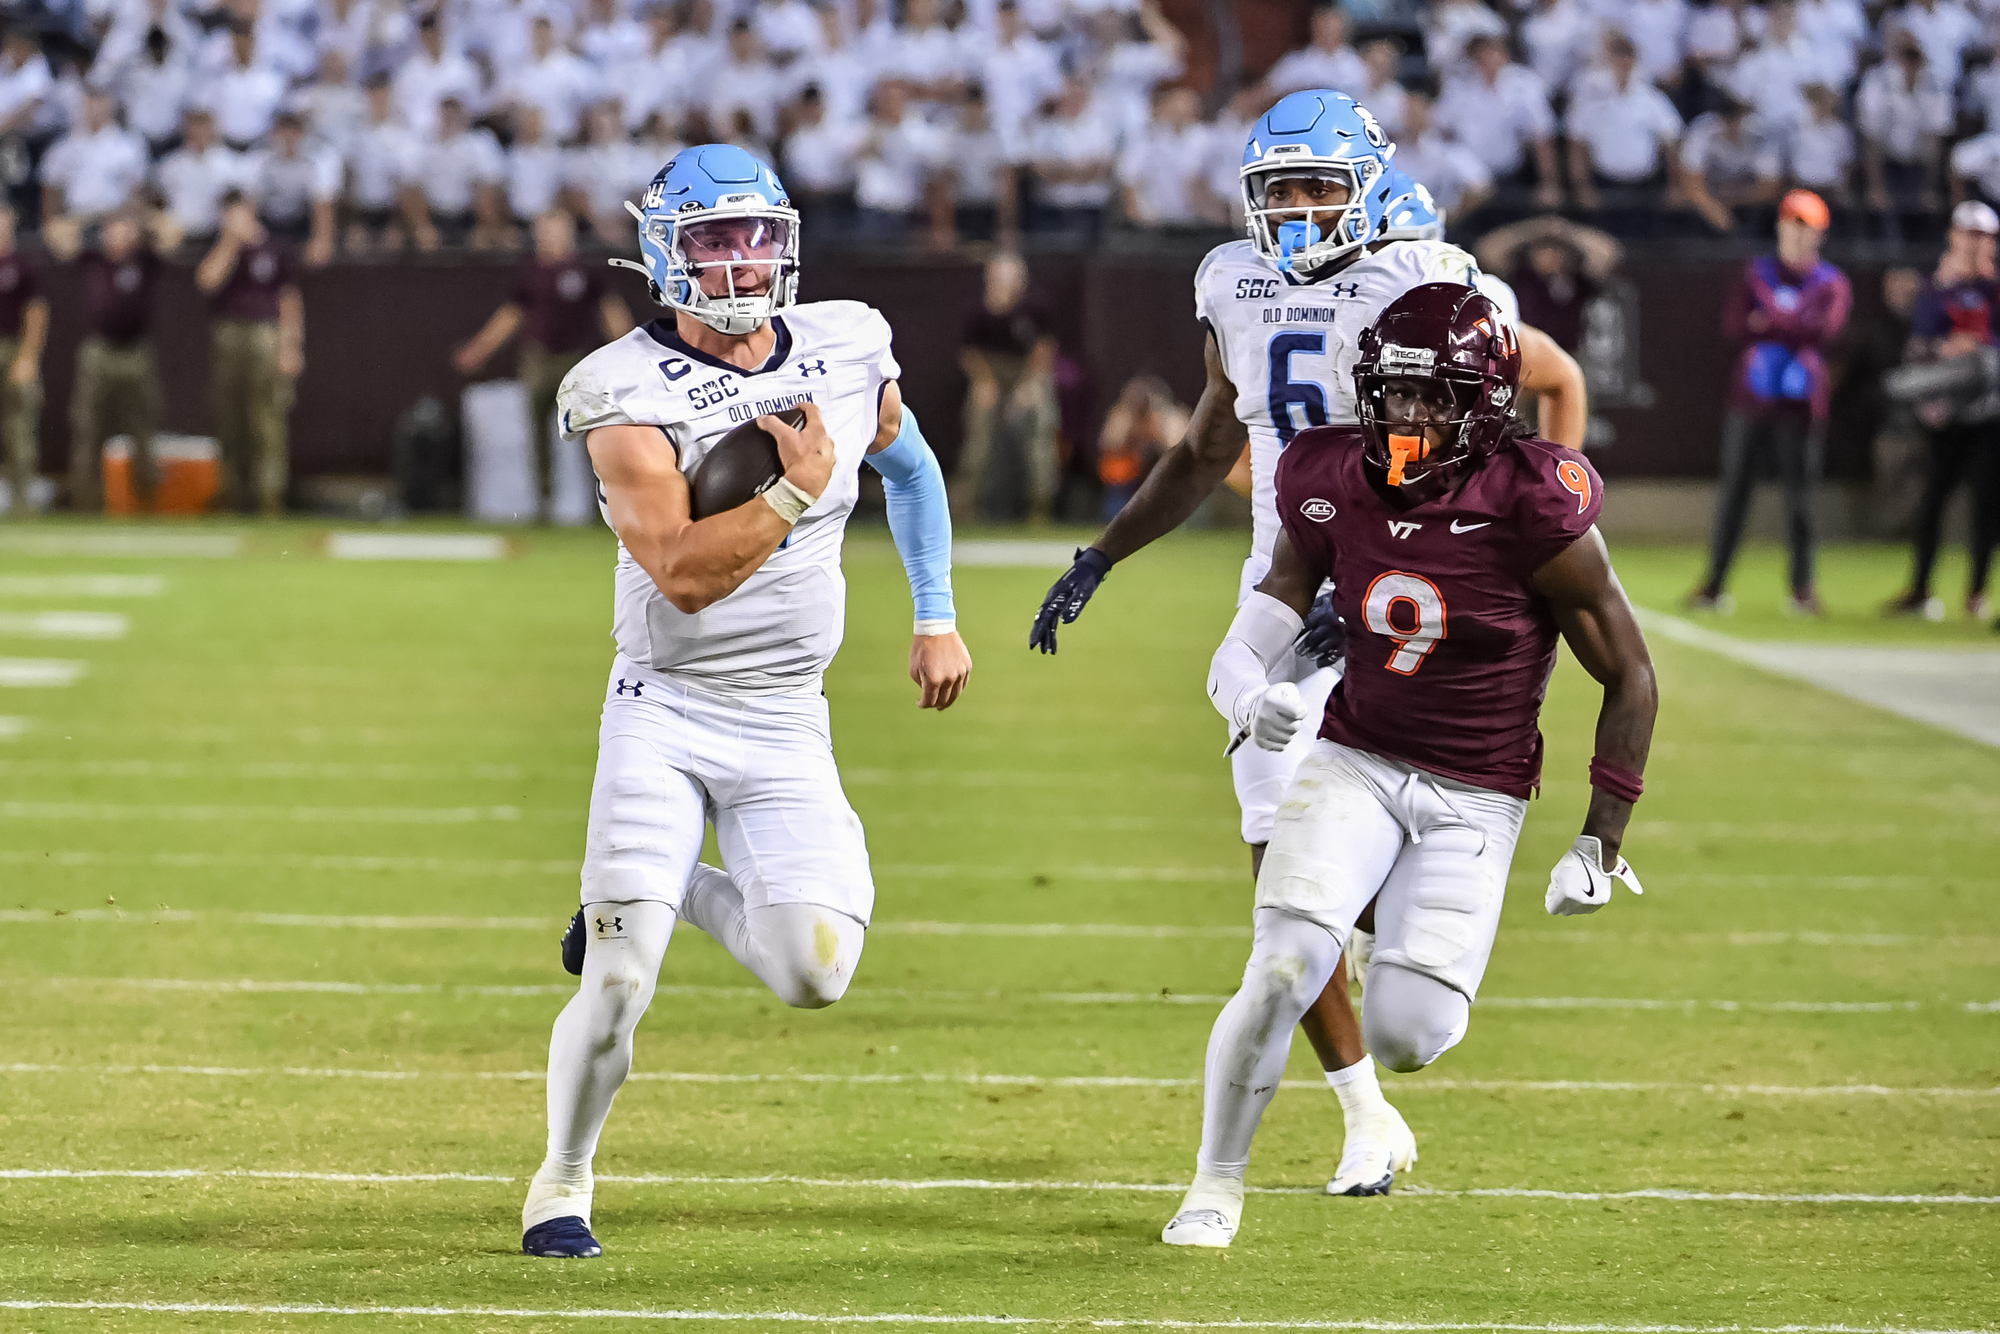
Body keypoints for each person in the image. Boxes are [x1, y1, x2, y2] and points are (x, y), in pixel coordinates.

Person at [1030, 89, 1595, 1198]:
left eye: (1313, 188)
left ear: (1365, 188)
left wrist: (1535, 534)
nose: (1291, 212)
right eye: (1274, 191)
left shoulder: (1425, 280)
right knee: (1278, 888)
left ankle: (1415, 947)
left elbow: (1517, 410)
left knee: (1367, 873)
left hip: (1398, 602)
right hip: (1283, 596)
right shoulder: (1226, 282)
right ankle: (1362, 1114)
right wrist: (1102, 553)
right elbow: (1202, 445)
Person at [522, 144, 972, 1260]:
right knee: (621, 981)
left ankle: (663, 878)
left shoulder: (847, 340)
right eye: (712, 241)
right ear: (662, 257)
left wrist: (934, 611)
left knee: (814, 970)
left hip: (785, 714)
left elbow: (908, 469)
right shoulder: (617, 385)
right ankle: (561, 1179)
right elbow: (679, 567)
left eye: (756, 236)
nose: (740, 262)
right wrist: (789, 490)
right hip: (664, 705)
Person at [1158, 281, 1655, 1248]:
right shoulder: (1330, 470)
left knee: (1409, 1033)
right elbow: (1270, 611)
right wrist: (1243, 684)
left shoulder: (1532, 499)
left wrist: (1602, 840)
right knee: (1284, 964)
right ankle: (1216, 1184)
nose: (1408, 416)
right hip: (1356, 757)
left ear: (1488, 401)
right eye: (1392, 392)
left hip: (1478, 792)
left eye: (1435, 396)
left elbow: (1630, 672)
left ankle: (1396, 945)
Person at [1689, 189, 1850, 615]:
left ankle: (1802, 590)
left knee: (1801, 501)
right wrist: (1795, 322)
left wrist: (1772, 321)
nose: (1797, 235)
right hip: (1752, 398)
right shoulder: (1755, 273)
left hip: (1801, 403)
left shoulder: (1831, 282)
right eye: (1791, 224)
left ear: (1820, 234)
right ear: (1780, 228)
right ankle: (1713, 586)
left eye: (1806, 227)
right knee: (1734, 496)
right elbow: (1735, 326)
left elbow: (1826, 332)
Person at [453, 210, 635, 520]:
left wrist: (632, 350)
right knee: (538, 434)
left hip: (578, 362)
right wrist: (479, 348)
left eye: (557, 230)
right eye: (546, 231)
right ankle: (543, 503)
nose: (551, 237)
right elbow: (511, 315)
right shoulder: (530, 273)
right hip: (538, 358)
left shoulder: (586, 272)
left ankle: (598, 506)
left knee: (589, 435)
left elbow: (611, 311)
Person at [1885, 200, 2000, 621]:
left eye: (1982, 236)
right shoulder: (1937, 290)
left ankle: (1977, 592)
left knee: (1985, 506)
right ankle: (1920, 588)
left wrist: (1976, 348)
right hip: (1946, 410)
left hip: (1988, 412)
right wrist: (1945, 348)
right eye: (1968, 235)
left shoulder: (1995, 290)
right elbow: (1920, 345)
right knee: (1933, 499)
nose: (1974, 244)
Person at [195, 190, 303, 516]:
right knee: (229, 416)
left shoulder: (274, 247)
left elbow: (290, 300)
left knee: (268, 417)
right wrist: (230, 242)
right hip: (230, 334)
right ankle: (231, 493)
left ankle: (270, 494)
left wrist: (291, 347)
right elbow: (207, 281)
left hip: (267, 334)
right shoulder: (221, 246)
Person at [68, 212, 162, 513]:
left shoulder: (143, 261)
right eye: (112, 230)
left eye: (124, 230)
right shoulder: (92, 260)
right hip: (99, 349)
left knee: (143, 426)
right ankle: (86, 503)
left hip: (135, 351)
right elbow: (58, 234)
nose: (118, 236)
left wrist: (142, 222)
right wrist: (93, 216)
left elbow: (170, 233)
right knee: (88, 426)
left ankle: (146, 503)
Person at [955, 251, 1057, 523]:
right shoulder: (976, 310)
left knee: (1039, 426)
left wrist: (1028, 387)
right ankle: (968, 509)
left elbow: (1044, 350)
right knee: (979, 435)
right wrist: (985, 383)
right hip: (990, 373)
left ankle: (1040, 508)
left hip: (1028, 372)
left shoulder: (1036, 307)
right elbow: (970, 353)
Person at [0, 203, 45, 516]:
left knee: (18, 425)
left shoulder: (22, 265)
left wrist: (29, 356)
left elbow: (37, 312)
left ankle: (21, 501)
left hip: (12, 347)